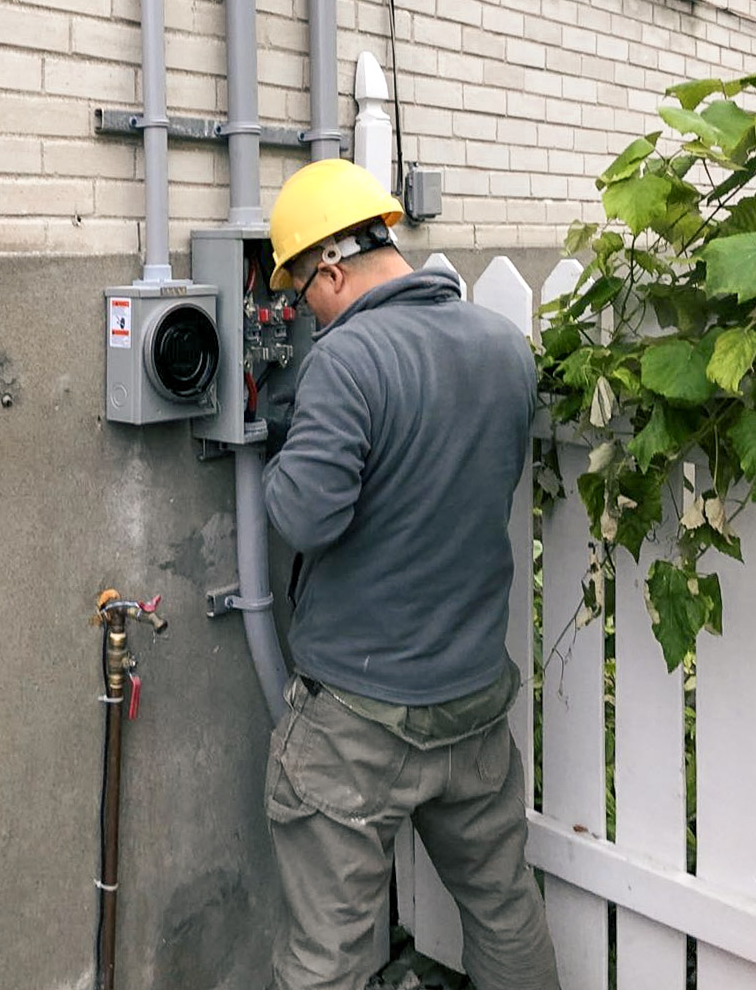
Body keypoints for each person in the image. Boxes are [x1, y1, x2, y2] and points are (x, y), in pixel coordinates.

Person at [261, 158, 560, 990]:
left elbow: (304, 516)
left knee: (330, 954)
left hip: (359, 718)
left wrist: (280, 450)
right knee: (504, 908)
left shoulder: (348, 360)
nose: (301, 311)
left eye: (301, 290)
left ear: (330, 268)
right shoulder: (503, 346)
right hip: (470, 702)